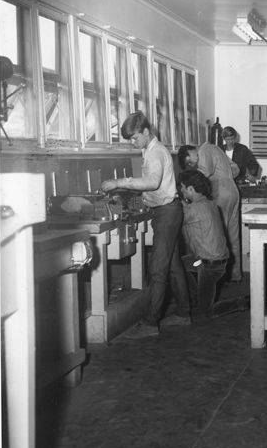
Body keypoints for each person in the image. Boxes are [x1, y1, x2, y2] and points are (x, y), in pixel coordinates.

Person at [101, 111, 191, 337]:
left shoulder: (155, 152)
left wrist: (118, 183)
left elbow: (152, 182)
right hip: (168, 210)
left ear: (145, 131)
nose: (133, 142)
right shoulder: (149, 150)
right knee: (172, 265)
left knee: (158, 269)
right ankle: (183, 313)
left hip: (167, 213)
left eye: (134, 137)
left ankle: (151, 323)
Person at [177, 142, 242, 282]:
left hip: (221, 192)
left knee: (219, 235)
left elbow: (201, 175)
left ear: (191, 151)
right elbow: (236, 169)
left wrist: (185, 186)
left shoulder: (204, 150)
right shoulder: (215, 148)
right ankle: (235, 275)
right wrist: (225, 178)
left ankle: (220, 278)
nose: (192, 164)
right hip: (233, 191)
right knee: (233, 234)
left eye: (189, 161)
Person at [178, 169, 229, 323]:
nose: (180, 190)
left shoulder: (193, 209)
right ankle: (195, 295)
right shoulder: (210, 204)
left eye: (182, 187)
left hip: (210, 266)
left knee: (206, 312)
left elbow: (180, 218)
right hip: (212, 261)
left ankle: (242, 303)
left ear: (191, 189)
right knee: (179, 264)